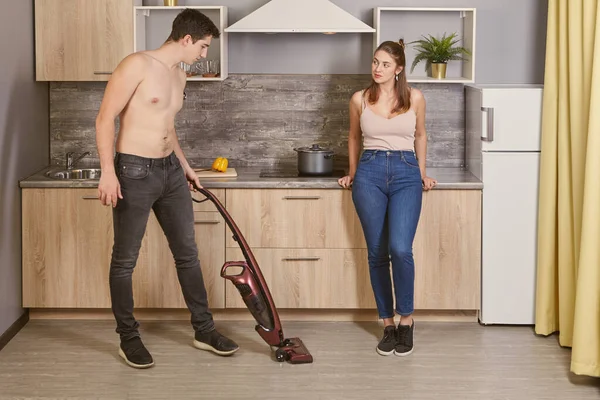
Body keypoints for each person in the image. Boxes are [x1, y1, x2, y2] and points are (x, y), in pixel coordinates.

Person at [95, 8, 238, 369]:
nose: (204, 55)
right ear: (186, 39)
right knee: (125, 260)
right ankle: (128, 338)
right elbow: (104, 119)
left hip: (170, 172)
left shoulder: (180, 75)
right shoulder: (136, 65)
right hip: (133, 171)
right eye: (203, 47)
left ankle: (203, 329)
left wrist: (186, 167)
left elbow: (167, 127)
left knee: (187, 253)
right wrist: (108, 172)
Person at [338, 39, 437, 357]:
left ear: (399, 69)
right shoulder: (360, 99)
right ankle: (387, 324)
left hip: (407, 171)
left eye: (384, 64)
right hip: (369, 172)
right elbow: (354, 137)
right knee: (378, 252)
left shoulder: (416, 98)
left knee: (400, 248)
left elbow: (420, 135)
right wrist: (353, 173)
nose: (377, 69)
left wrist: (421, 173)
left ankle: (406, 320)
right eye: (374, 62)